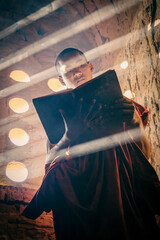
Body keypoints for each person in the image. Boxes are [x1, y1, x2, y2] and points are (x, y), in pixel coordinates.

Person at [22, 48, 160, 240]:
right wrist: (70, 135)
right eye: (69, 70)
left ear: (90, 66)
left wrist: (135, 122)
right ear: (61, 79)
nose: (77, 72)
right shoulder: (60, 116)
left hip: (122, 192)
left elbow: (144, 155)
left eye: (80, 65)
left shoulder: (123, 105)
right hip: (77, 200)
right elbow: (50, 163)